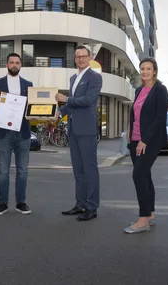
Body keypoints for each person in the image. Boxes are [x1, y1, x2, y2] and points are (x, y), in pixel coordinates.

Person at [56, 45, 103, 222]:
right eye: (78, 57)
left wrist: (66, 99)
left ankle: (92, 207)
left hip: (87, 130)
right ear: (75, 59)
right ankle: (80, 203)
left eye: (84, 56)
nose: (81, 59)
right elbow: (72, 104)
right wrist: (60, 111)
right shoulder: (74, 78)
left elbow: (88, 100)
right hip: (73, 129)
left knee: (90, 169)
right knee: (78, 169)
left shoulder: (95, 77)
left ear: (89, 57)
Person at [125, 58, 168, 234]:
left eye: (148, 69)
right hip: (134, 140)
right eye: (142, 69)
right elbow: (135, 115)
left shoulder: (160, 90)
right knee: (145, 176)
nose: (145, 72)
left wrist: (145, 140)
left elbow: (159, 118)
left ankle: (143, 219)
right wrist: (129, 132)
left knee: (139, 175)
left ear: (155, 71)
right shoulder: (139, 90)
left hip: (149, 141)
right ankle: (150, 213)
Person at [0, 53, 34, 216]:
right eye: (11, 62)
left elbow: (32, 108)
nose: (14, 65)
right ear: (7, 65)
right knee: (3, 171)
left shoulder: (29, 85)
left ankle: (21, 202)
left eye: (17, 62)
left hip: (23, 133)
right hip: (3, 133)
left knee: (23, 170)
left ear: (21, 65)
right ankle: (2, 203)